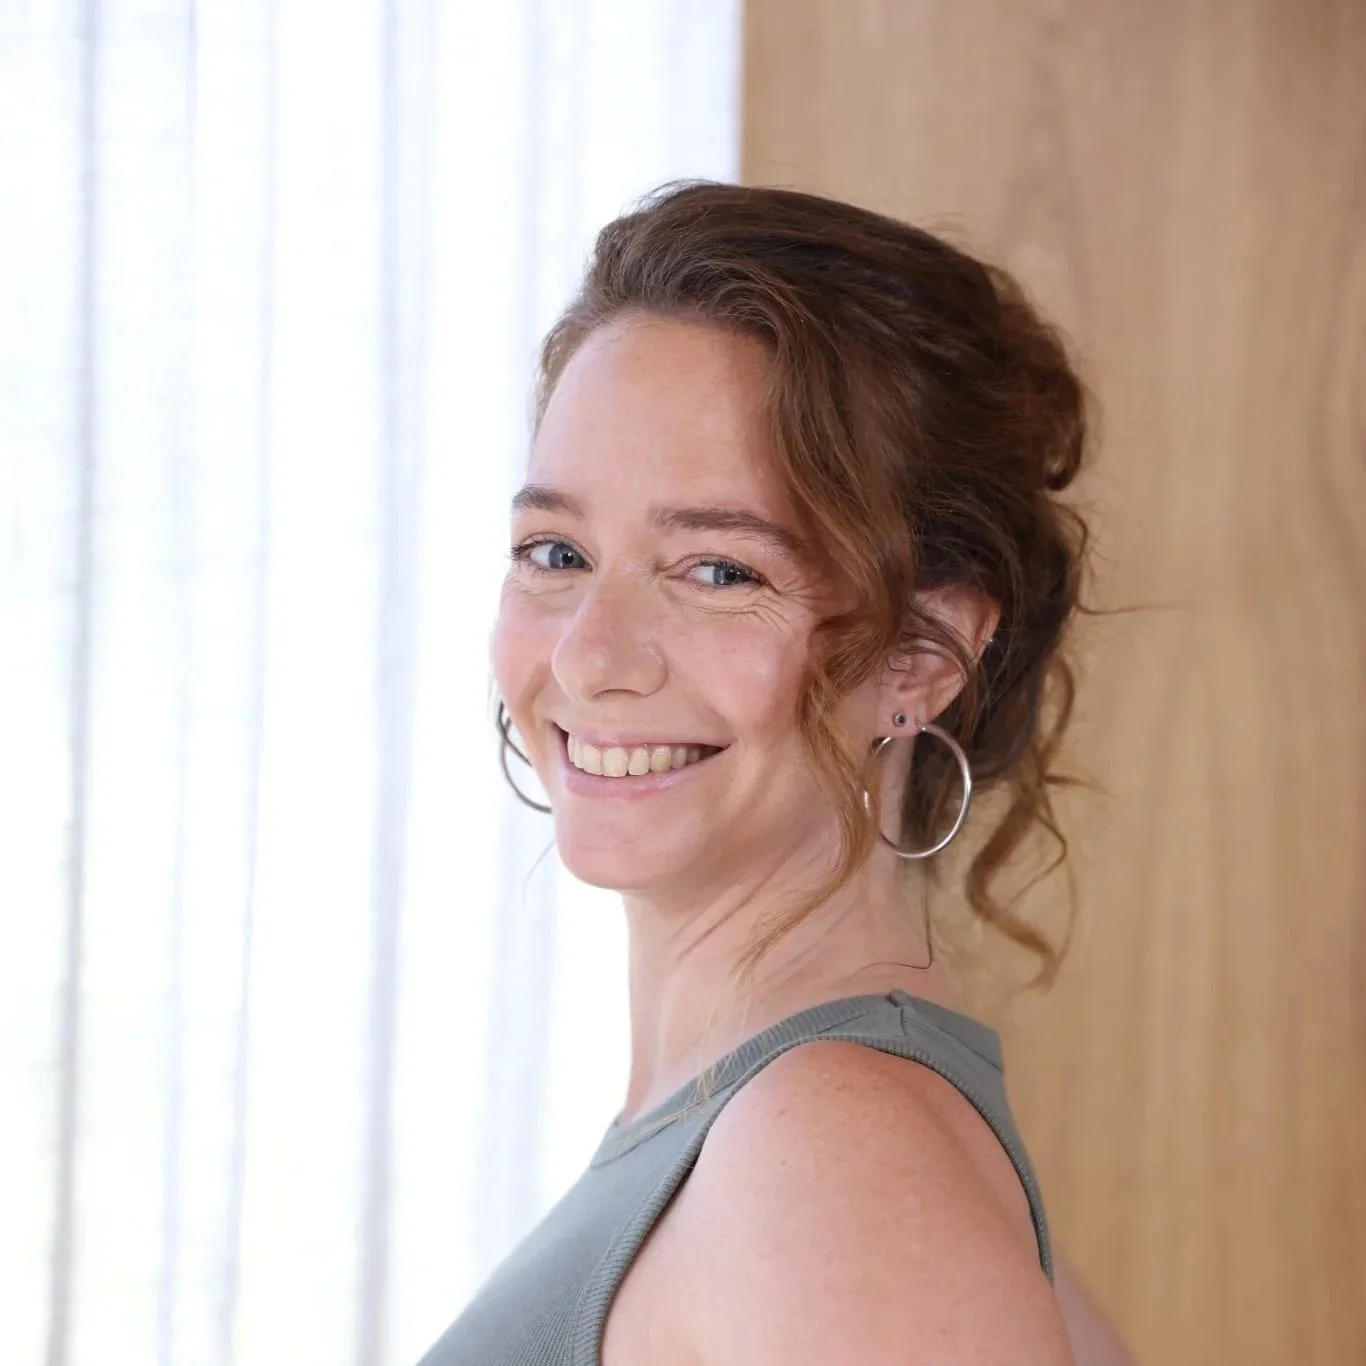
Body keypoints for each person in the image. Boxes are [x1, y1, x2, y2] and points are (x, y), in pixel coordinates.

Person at [419, 181, 1135, 1365]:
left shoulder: (831, 1154)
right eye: (557, 552)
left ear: (923, 652)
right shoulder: (793, 1138)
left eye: (716, 571)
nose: (590, 656)